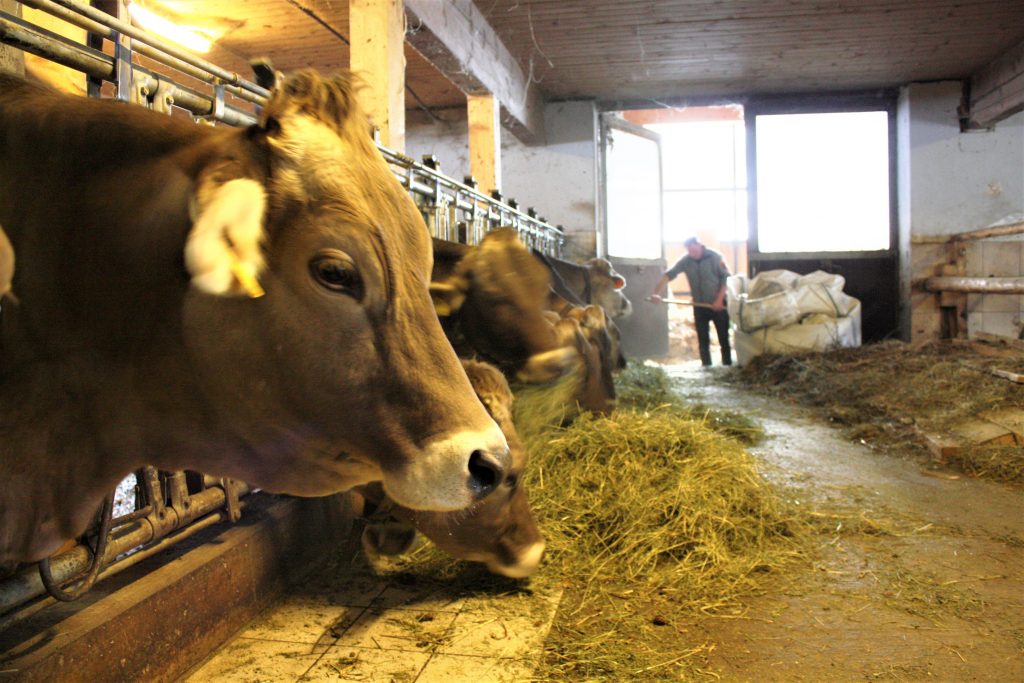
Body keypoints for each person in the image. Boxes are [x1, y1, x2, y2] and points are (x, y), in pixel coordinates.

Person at [650, 236, 732, 367]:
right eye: (689, 251)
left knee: (723, 338)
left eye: (693, 250)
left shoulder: (715, 257)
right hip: (699, 305)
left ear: (699, 245)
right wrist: (655, 293)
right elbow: (669, 275)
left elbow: (726, 279)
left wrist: (719, 299)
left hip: (718, 305)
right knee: (703, 340)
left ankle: (727, 366)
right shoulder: (686, 260)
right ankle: (707, 367)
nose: (691, 253)